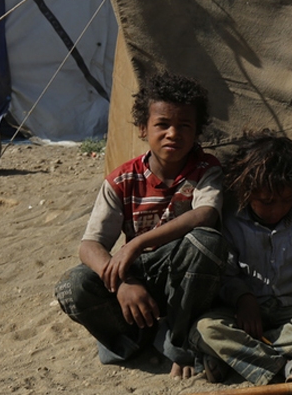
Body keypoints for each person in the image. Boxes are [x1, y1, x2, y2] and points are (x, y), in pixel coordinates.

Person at [55, 71, 226, 379]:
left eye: (184, 126)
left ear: (197, 130)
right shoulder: (122, 180)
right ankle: (139, 337)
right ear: (142, 128)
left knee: (206, 242)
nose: (173, 134)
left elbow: (205, 215)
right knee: (73, 285)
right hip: (138, 276)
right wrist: (122, 283)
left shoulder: (205, 169)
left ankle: (180, 341)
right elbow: (90, 245)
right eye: (163, 124)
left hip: (184, 278)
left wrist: (136, 243)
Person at [190, 130, 292, 385]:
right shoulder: (231, 221)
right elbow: (227, 275)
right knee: (204, 329)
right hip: (247, 316)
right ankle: (287, 365)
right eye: (267, 202)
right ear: (246, 191)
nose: (277, 209)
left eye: (286, 200)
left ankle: (241, 357)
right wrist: (243, 299)